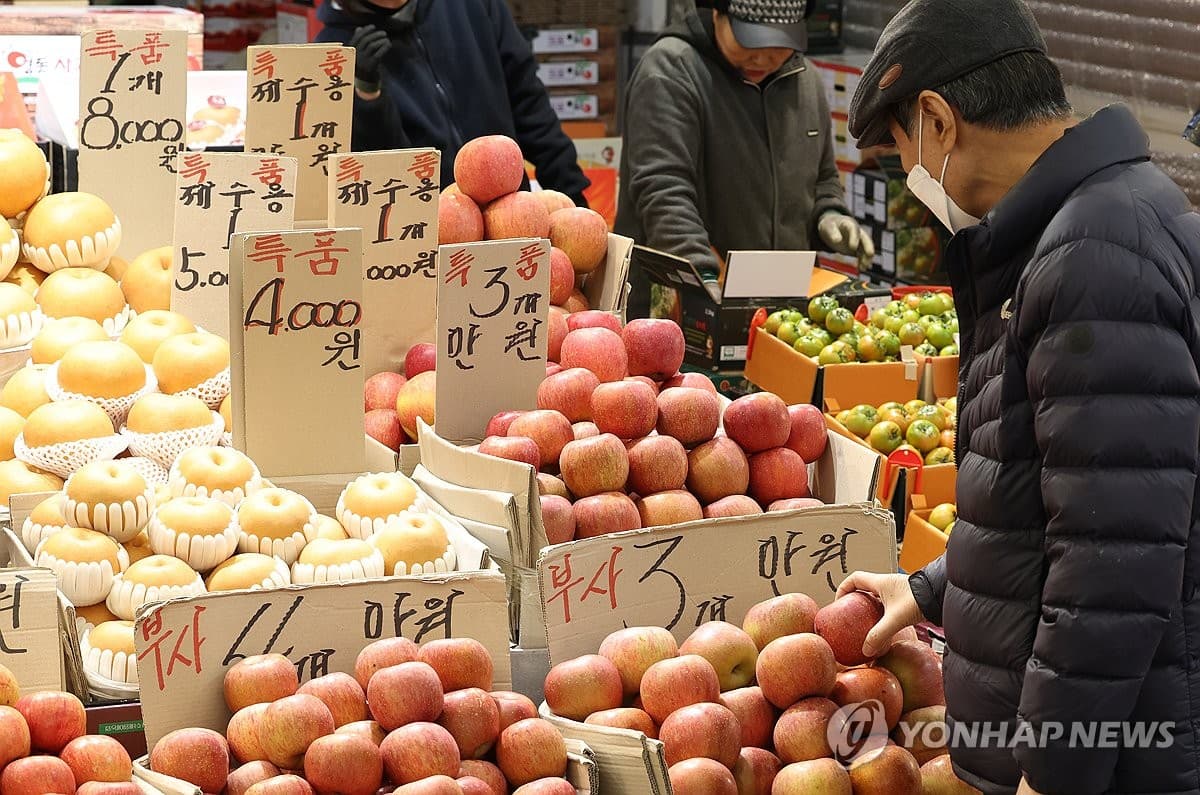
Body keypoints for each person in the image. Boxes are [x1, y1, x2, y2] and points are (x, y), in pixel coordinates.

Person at [839, 1, 1200, 794]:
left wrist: (1054, 769)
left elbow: (1116, 559)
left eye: (900, 149)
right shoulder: (1071, 230)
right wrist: (935, 586)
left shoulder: (1097, 253)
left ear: (937, 120)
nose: (908, 177)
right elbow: (1051, 486)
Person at [615, 0, 873, 282]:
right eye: (750, 41)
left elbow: (821, 177)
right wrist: (702, 275)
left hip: (782, 300)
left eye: (779, 44)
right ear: (717, 14)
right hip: (684, 299)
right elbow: (663, 189)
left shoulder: (804, 80)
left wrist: (830, 214)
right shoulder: (671, 70)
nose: (762, 59)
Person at [314, 0, 590, 204]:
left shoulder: (472, 6)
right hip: (424, 242)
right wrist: (367, 96)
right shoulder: (332, 54)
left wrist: (572, 197)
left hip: (512, 221)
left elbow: (528, 101)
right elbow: (374, 179)